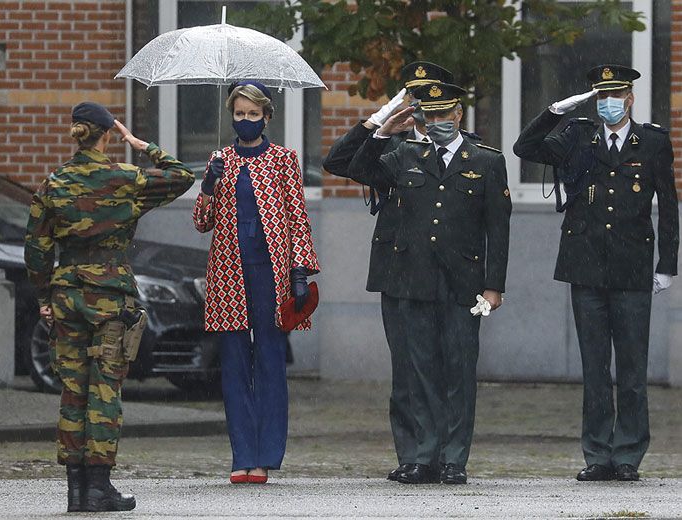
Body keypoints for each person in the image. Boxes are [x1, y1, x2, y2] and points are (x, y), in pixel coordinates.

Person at [24, 102, 195, 512]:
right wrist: (141, 145)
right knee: (105, 390)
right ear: (106, 134)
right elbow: (182, 176)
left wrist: (45, 297)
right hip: (109, 296)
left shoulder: (53, 183)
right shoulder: (124, 178)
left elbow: (36, 250)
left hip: (66, 295)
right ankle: (99, 487)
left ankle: (76, 490)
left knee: (72, 391)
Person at [513, 64, 679, 482]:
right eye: (600, 95)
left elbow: (670, 206)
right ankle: (598, 454)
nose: (608, 102)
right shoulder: (578, 136)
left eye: (615, 94)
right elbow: (524, 147)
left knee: (632, 369)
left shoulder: (653, 142)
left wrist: (668, 265)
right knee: (594, 369)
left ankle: (628, 455)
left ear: (630, 98)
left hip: (632, 267)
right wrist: (554, 112)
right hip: (585, 266)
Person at [324, 62, 483, 483]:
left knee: (450, 367)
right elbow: (338, 162)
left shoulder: (473, 153)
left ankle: (448, 456)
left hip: (452, 275)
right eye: (416, 99)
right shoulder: (389, 150)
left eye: (433, 101)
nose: (425, 111)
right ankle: (414, 454)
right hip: (399, 272)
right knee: (408, 370)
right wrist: (378, 121)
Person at [347, 83, 512, 484]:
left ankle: (454, 458)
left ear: (458, 115)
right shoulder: (406, 154)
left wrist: (494, 285)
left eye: (444, 115)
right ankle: (423, 456)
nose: (437, 123)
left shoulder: (487, 161)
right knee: (419, 371)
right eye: (429, 116)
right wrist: (382, 130)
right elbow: (354, 167)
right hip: (415, 279)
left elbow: (498, 228)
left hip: (464, 281)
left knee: (458, 370)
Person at [192, 81, 320, 484]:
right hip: (228, 272)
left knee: (269, 358)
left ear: (267, 116)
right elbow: (201, 222)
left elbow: (297, 219)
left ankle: (265, 456)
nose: (245, 121)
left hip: (272, 270)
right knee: (233, 362)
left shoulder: (284, 159)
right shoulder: (220, 158)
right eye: (239, 114)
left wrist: (300, 270)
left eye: (252, 114)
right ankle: (241, 455)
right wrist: (209, 185)